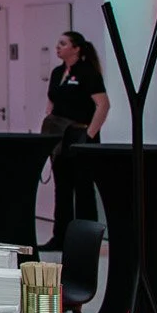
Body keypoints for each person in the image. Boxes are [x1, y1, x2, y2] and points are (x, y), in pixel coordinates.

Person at [43, 30, 110, 247]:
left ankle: (86, 239)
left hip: (81, 133)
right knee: (62, 187)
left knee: (83, 187)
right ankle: (60, 236)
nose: (58, 47)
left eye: (63, 43)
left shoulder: (87, 72)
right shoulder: (57, 73)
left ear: (76, 48)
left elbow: (103, 105)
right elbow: (51, 102)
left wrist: (89, 135)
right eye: (58, 43)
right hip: (60, 135)